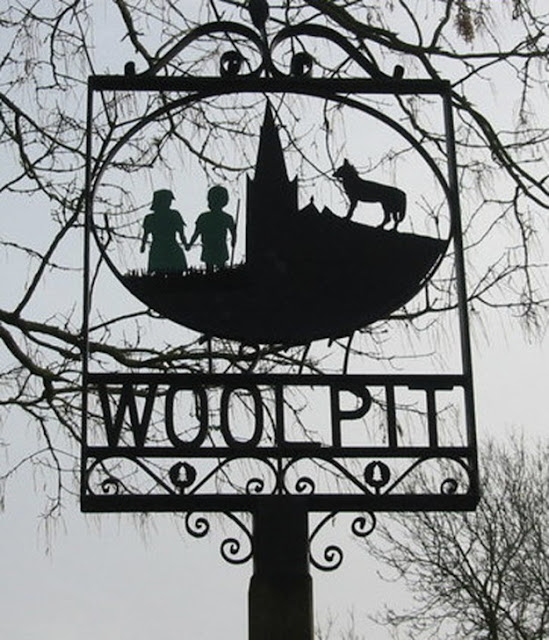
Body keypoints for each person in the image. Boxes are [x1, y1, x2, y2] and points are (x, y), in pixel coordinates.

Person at [188, 186, 236, 271]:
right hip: (210, 246)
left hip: (218, 246)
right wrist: (190, 244)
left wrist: (233, 240)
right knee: (213, 267)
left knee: (218, 267)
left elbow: (233, 232)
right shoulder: (205, 217)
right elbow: (196, 233)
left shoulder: (205, 217)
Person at [140, 189, 187, 274]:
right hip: (158, 249)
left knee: (176, 272)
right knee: (159, 272)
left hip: (171, 247)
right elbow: (145, 234)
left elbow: (181, 233)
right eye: (167, 200)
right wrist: (143, 246)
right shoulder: (150, 218)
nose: (169, 203)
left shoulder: (174, 215)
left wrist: (185, 243)